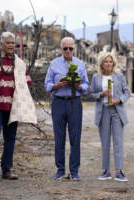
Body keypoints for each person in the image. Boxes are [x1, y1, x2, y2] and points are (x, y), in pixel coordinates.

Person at [0, 32, 37, 181]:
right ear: (1, 44)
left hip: (13, 105)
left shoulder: (19, 63)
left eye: (13, 43)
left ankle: (7, 169)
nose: (11, 45)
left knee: (10, 137)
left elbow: (25, 85)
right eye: (8, 42)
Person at [44, 37, 89, 180]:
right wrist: (56, 86)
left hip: (74, 102)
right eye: (65, 48)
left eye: (71, 48)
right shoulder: (53, 64)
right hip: (58, 102)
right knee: (59, 137)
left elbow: (86, 85)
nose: (68, 51)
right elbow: (47, 84)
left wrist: (79, 86)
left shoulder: (80, 64)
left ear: (74, 49)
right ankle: (60, 169)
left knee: (75, 138)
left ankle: (74, 171)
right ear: (61, 49)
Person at [90, 52, 130, 182]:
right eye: (106, 61)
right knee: (105, 143)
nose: (108, 63)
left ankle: (119, 171)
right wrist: (101, 94)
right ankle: (105, 171)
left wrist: (119, 100)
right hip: (103, 111)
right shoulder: (96, 77)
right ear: (101, 63)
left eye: (110, 61)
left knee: (118, 142)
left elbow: (127, 92)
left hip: (117, 111)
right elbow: (91, 94)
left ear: (113, 63)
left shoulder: (119, 76)